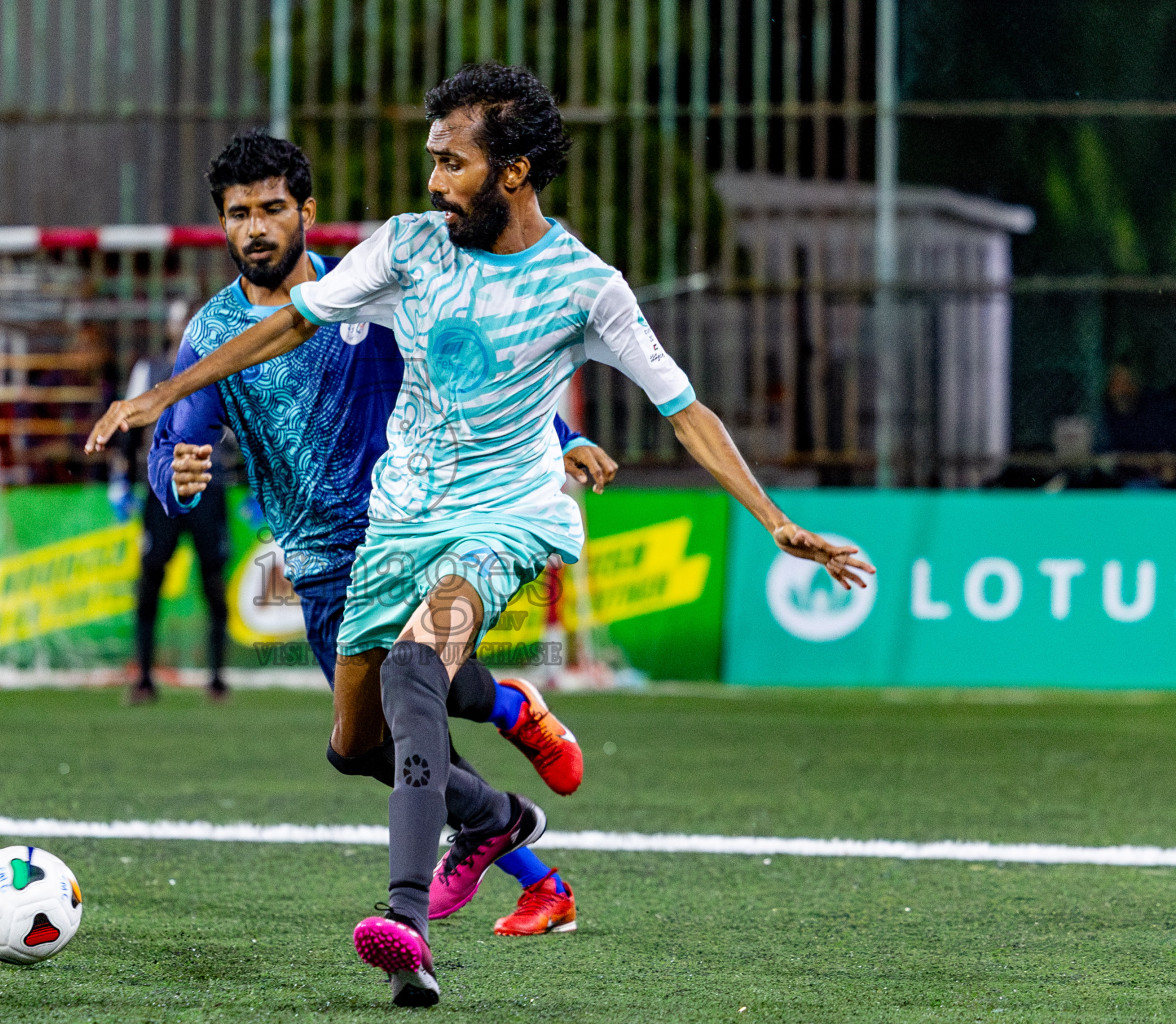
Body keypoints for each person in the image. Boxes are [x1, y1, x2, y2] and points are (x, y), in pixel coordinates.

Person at [89, 64, 874, 1007]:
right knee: (354, 746)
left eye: (450, 162)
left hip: (500, 520)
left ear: (514, 170)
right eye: (236, 212)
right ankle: (508, 778)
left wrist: (768, 517)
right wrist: (166, 424)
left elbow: (643, 402)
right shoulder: (391, 259)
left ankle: (407, 924)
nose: (431, 180)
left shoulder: (571, 286)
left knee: (418, 673)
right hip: (379, 533)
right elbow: (266, 365)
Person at [119, 128, 603, 934]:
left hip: (410, 536)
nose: (256, 229)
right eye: (239, 214)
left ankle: (460, 877)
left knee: (408, 714)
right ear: (223, 225)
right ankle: (522, 792)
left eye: (272, 208)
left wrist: (564, 435)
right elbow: (175, 437)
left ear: (306, 212)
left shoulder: (369, 298)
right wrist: (173, 473)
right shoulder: (213, 336)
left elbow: (474, 381)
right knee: (370, 747)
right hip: (316, 571)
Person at [111, 298, 231, 703]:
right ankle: (143, 676)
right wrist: (123, 479)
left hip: (209, 487)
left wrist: (251, 481)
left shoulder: (222, 367)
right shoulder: (149, 371)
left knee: (214, 582)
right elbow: (128, 427)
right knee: (150, 581)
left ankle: (216, 678)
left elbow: (244, 429)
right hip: (162, 489)